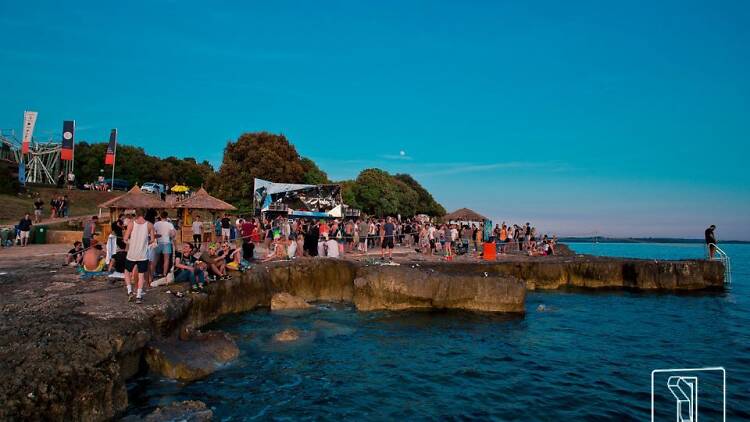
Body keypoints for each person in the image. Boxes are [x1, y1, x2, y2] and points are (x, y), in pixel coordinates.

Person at [123, 209, 156, 304]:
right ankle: (138, 296)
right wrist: (145, 243)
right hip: (143, 255)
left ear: (136, 214)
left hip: (132, 254)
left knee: (127, 271)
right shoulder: (150, 225)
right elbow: (153, 240)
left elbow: (125, 239)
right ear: (144, 214)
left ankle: (129, 291)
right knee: (141, 275)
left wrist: (130, 242)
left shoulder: (131, 224)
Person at [153, 211, 175, 277]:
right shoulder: (169, 224)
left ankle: (153, 272)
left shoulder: (156, 224)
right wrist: (170, 236)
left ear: (160, 216)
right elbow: (173, 234)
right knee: (166, 259)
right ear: (167, 216)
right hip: (167, 242)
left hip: (158, 242)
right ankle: (164, 274)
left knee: (155, 259)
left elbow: (153, 233)